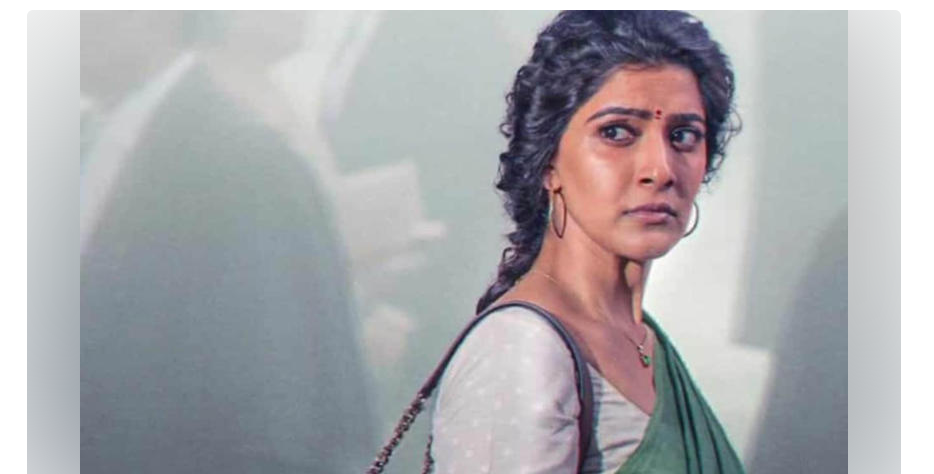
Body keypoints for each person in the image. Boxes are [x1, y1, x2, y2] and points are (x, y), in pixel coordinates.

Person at [414, 11, 745, 474]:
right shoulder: (521, 349)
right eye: (617, 133)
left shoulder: (643, 339)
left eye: (683, 136)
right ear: (548, 160)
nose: (661, 169)